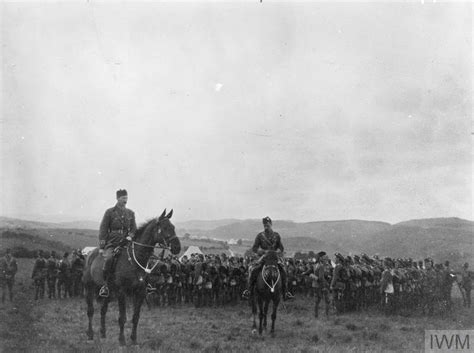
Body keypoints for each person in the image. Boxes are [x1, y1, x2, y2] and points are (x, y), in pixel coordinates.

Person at [242, 217, 294, 301]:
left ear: (271, 224)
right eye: (265, 225)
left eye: (268, 225)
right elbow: (254, 248)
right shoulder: (260, 236)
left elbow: (281, 248)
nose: (266, 226)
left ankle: (286, 292)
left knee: (283, 270)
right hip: (264, 258)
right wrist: (262, 251)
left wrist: (277, 252)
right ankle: (249, 291)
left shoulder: (276, 235)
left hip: (274, 258)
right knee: (253, 270)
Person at [98, 189, 137, 297]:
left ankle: (142, 284)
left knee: (138, 257)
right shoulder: (110, 212)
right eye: (123, 198)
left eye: (126, 198)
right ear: (117, 198)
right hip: (113, 242)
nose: (125, 200)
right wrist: (102, 246)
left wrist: (130, 236)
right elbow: (103, 229)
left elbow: (134, 228)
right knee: (109, 259)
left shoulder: (130, 213)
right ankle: (105, 285)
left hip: (127, 242)